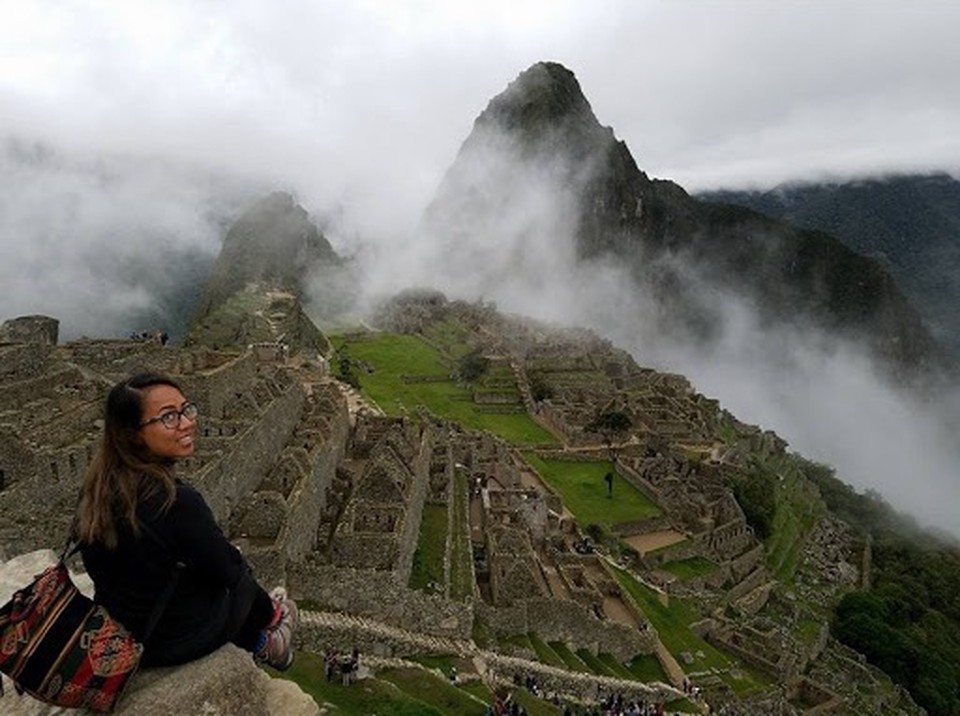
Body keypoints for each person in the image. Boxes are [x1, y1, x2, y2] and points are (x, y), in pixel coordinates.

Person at [74, 372, 298, 670]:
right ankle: (269, 639)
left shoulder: (96, 491)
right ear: (132, 433)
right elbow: (228, 572)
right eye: (169, 417)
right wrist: (270, 614)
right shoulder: (176, 502)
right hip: (171, 643)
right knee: (235, 570)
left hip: (123, 632)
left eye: (186, 409)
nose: (187, 422)